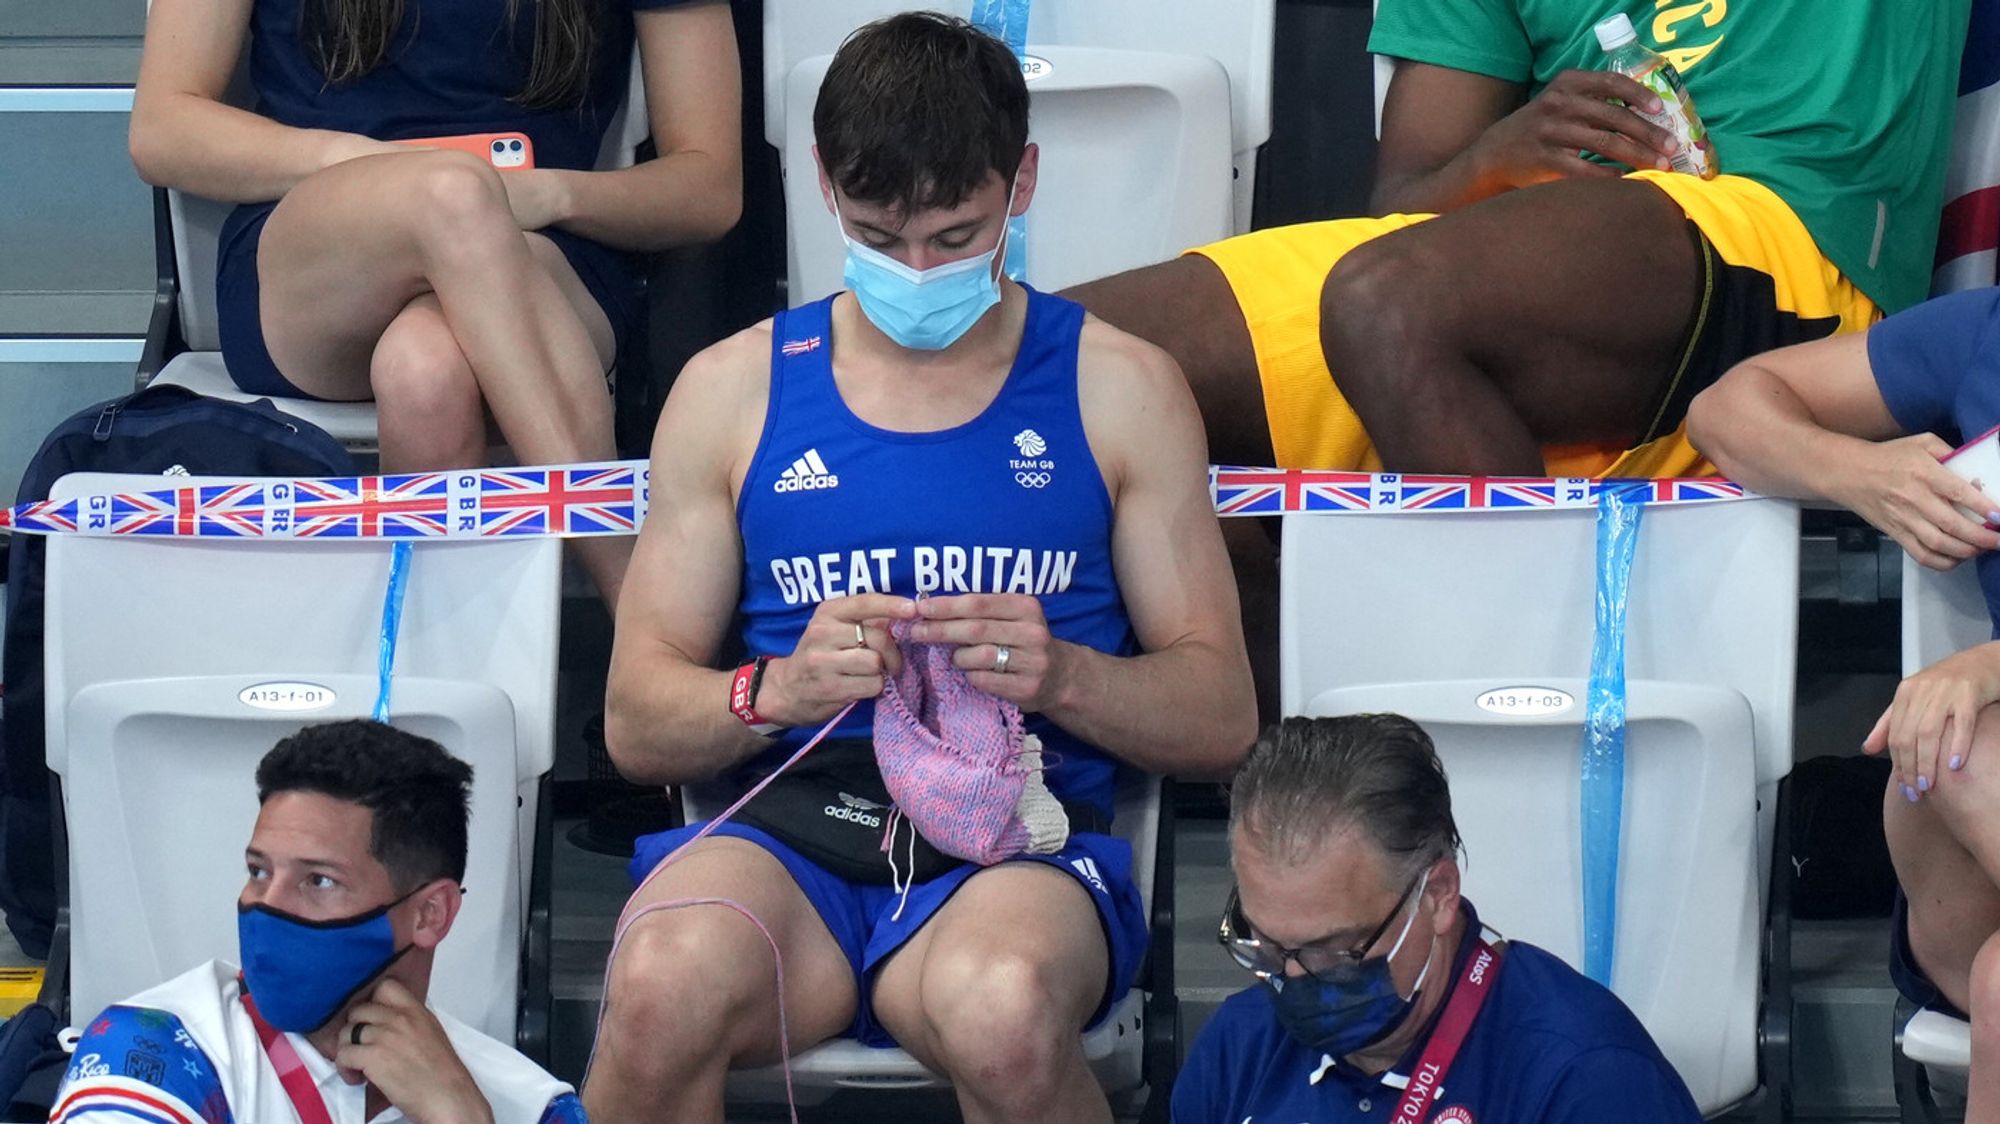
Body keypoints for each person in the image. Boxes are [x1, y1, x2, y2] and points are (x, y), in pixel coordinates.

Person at [588, 13, 1257, 1123]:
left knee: (998, 1008)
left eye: (954, 237)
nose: (914, 271)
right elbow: (634, 721)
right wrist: (776, 688)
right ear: (821, 185)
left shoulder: (1119, 386)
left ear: (1021, 183)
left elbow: (1222, 713)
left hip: (1011, 846)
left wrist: (1065, 675)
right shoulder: (732, 389)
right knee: (655, 991)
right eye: (876, 234)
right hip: (787, 833)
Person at [1066, 0, 1968, 480]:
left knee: (1390, 301)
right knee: (1065, 361)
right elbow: (1403, 203)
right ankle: (1294, 760)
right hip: (1498, 276)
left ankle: (1497, 768)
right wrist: (1501, 151)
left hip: (1788, 240)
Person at [128, 0, 744, 608]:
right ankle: (639, 617)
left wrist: (550, 194)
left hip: (541, 248)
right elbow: (163, 129)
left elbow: (709, 189)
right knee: (452, 193)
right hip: (313, 253)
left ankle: (425, 690)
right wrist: (382, 166)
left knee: (426, 370)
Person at [1688, 285, 2000, 1123]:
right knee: (1954, 749)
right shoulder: (1985, 332)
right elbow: (1725, 410)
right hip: (1976, 829)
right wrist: (1860, 471)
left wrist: (1989, 663)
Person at [1174, 714, 1701, 1123]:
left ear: (1438, 895)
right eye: (1263, 943)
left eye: (1332, 950)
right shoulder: (1238, 1045)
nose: (1291, 979)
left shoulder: (1586, 1081)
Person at [49, 720, 581, 1123]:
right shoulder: (150, 1051)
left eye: (318, 881)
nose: (265, 905)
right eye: (258, 871)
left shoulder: (525, 1102)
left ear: (429, 913)